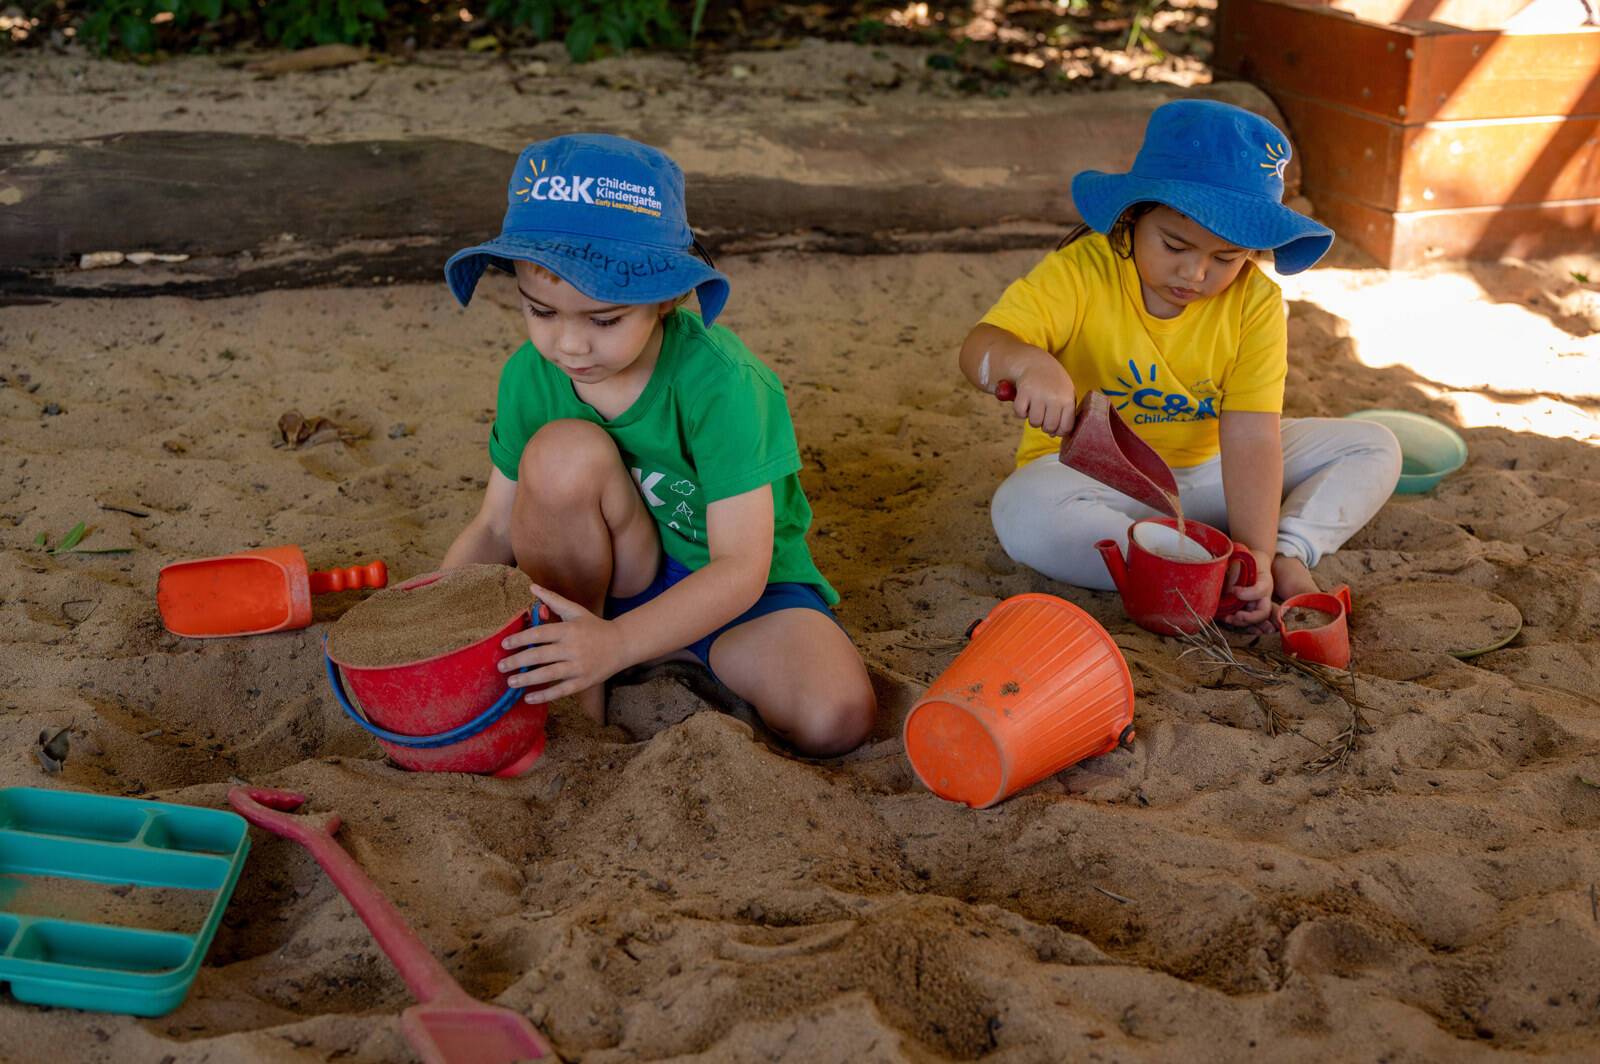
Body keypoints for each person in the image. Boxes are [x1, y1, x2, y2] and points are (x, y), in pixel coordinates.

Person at [441, 133, 875, 755]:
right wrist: (429, 620)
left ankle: (630, 650)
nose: (569, 346)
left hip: (734, 590)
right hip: (608, 577)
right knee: (562, 453)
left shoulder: (725, 384)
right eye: (541, 312)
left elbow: (741, 568)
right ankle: (580, 673)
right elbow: (494, 526)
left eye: (604, 320)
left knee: (836, 716)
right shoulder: (529, 376)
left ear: (667, 295)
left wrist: (619, 643)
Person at [957, 99, 1401, 629]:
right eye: (1175, 245)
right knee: (1021, 512)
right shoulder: (1081, 271)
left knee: (1372, 446)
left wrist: (1256, 554)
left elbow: (1253, 437)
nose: (1194, 274)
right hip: (1098, 481)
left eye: (1226, 258)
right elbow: (980, 348)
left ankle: (1281, 555)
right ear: (1136, 214)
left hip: (1214, 474)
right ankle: (1197, 568)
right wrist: (1027, 364)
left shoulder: (1256, 303)